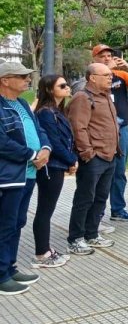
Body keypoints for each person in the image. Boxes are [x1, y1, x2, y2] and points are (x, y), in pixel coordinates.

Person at [0, 62, 49, 294]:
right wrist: (31, 154)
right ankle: (1, 276)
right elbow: (2, 142)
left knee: (17, 223)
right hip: (8, 176)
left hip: (27, 175)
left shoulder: (21, 103)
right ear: (5, 80)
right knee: (5, 225)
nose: (27, 80)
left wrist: (46, 149)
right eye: (21, 76)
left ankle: (9, 267)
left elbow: (38, 129)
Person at [66, 63, 120, 256]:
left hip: (110, 155)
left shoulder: (105, 96)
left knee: (100, 198)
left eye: (110, 74)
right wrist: (88, 153)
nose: (110, 77)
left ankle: (91, 234)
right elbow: (78, 128)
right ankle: (75, 239)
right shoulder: (82, 97)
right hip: (94, 157)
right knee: (84, 198)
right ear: (92, 78)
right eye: (105, 74)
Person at [91, 45, 128, 224]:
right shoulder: (91, 77)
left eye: (109, 55)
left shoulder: (120, 75)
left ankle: (118, 209)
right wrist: (107, 70)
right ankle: (96, 212)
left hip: (121, 129)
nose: (107, 58)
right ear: (94, 59)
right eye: (102, 56)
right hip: (100, 131)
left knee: (119, 171)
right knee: (100, 172)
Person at [32, 74, 77, 268]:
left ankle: (45, 250)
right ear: (50, 89)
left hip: (57, 165)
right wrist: (72, 160)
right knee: (44, 210)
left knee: (46, 210)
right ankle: (42, 253)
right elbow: (54, 142)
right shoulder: (46, 113)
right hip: (51, 166)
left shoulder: (56, 111)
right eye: (62, 85)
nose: (67, 87)